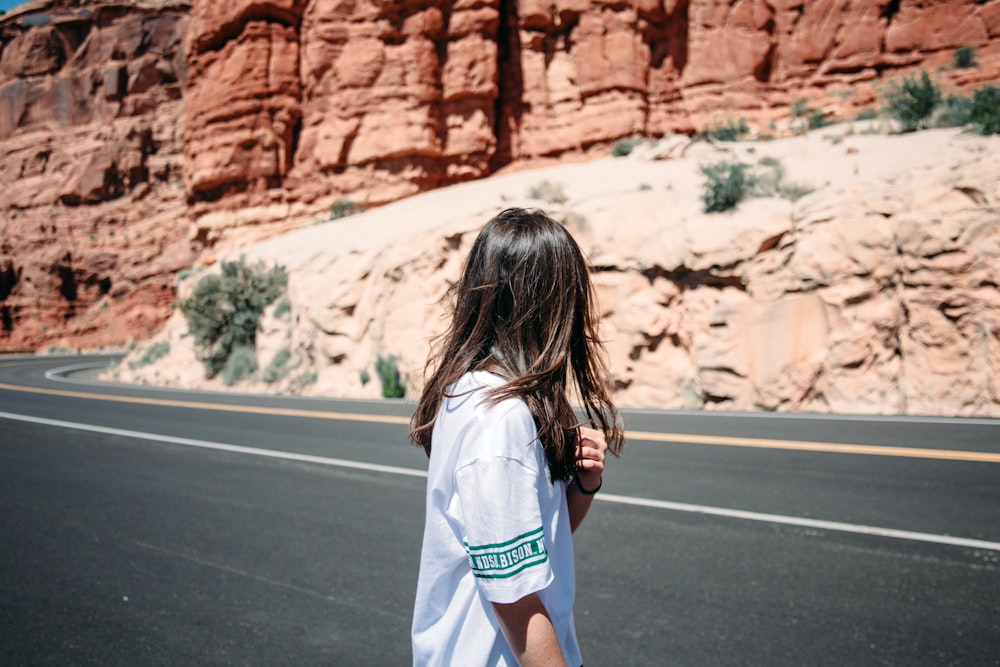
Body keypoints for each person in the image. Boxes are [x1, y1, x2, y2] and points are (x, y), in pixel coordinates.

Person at [410, 208, 625, 666]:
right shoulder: (501, 420)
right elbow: (514, 597)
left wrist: (582, 484)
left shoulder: (470, 390)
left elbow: (533, 539)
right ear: (550, 303)